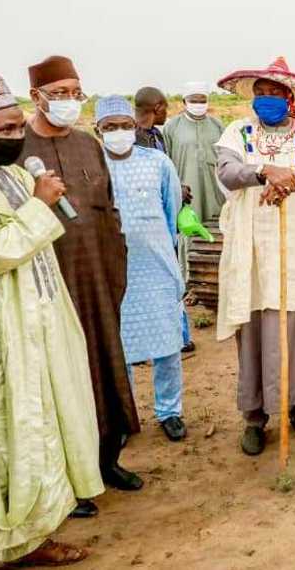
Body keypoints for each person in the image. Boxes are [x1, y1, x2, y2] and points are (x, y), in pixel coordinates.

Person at [0, 74, 102, 569]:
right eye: (4, 130)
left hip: (41, 320)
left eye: (17, 126)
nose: (15, 136)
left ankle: (35, 536)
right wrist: (38, 206)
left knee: (44, 425)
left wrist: (37, 201)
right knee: (5, 438)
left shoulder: (19, 176)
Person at [20, 55, 141, 516]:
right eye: (60, 94)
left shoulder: (89, 145)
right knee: (61, 378)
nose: (70, 101)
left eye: (76, 93)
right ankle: (68, 482)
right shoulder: (17, 148)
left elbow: (107, 206)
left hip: (98, 279)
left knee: (104, 368)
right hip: (51, 284)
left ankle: (107, 462)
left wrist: (115, 263)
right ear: (36, 97)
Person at [214, 57, 295, 456]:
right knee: (254, 331)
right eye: (260, 93)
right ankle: (255, 417)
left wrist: (288, 181)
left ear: (289, 97)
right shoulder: (238, 131)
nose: (266, 98)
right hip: (252, 250)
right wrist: (266, 171)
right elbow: (228, 171)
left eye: (274, 93)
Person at [95, 96, 187, 443]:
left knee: (168, 343)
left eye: (124, 125)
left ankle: (169, 411)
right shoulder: (93, 165)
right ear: (98, 130)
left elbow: (171, 211)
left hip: (157, 265)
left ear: (134, 127)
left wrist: (164, 248)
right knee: (118, 347)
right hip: (113, 271)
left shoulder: (158, 162)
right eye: (110, 127)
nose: (118, 132)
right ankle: (124, 414)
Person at [163, 81, 227, 353]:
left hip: (215, 191)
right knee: (187, 237)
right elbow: (166, 161)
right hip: (186, 191)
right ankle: (189, 286)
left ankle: (217, 282)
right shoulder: (172, 127)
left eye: (202, 99)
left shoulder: (217, 125)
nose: (198, 103)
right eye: (194, 99)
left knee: (215, 234)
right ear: (184, 101)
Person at [133, 86, 168, 153]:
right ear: (157, 108)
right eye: (165, 108)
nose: (166, 113)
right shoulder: (130, 137)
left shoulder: (156, 134)